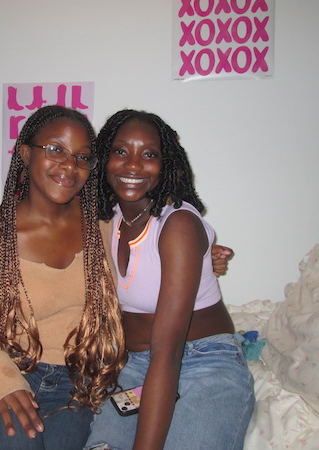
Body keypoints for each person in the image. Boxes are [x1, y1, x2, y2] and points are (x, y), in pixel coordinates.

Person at [0, 105, 127, 450]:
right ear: (25, 153)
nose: (70, 166)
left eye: (83, 157)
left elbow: (157, 251)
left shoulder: (104, 231)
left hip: (75, 388)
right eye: (56, 149)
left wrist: (204, 256)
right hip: (4, 373)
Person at [84, 109, 255, 450]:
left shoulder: (177, 225)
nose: (133, 165)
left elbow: (168, 351)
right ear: (103, 159)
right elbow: (43, 210)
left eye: (149, 155)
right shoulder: (104, 216)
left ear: (166, 164)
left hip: (204, 362)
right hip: (134, 364)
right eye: (121, 151)